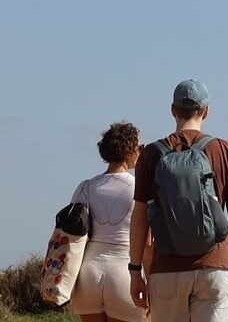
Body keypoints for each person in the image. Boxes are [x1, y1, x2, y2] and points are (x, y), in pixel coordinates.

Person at [129, 80, 228, 322]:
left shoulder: (150, 155)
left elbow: (139, 218)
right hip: (215, 266)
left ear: (173, 110)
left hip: (167, 270)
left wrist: (135, 270)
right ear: (207, 111)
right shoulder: (225, 150)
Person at [71, 122, 151, 322]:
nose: (142, 151)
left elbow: (70, 233)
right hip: (124, 275)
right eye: (140, 147)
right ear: (130, 150)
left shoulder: (85, 187)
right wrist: (150, 282)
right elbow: (149, 244)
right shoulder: (142, 190)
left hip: (87, 276)